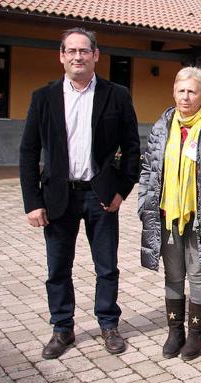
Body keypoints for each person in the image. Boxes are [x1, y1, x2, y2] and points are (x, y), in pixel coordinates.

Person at [19, 27, 140, 359]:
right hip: (58, 196)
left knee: (107, 266)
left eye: (84, 51)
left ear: (95, 55)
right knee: (58, 267)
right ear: (61, 56)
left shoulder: (116, 95)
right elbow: (28, 152)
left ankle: (109, 324)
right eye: (70, 51)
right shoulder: (43, 98)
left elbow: (132, 148)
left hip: (100, 196)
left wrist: (122, 190)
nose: (77, 56)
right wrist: (32, 202)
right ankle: (62, 328)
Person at [138, 67, 201, 360]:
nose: (185, 96)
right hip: (167, 214)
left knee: (197, 274)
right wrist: (145, 200)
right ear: (173, 91)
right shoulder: (162, 126)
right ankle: (175, 332)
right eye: (181, 90)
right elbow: (148, 168)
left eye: (192, 91)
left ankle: (195, 334)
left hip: (200, 216)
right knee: (173, 275)